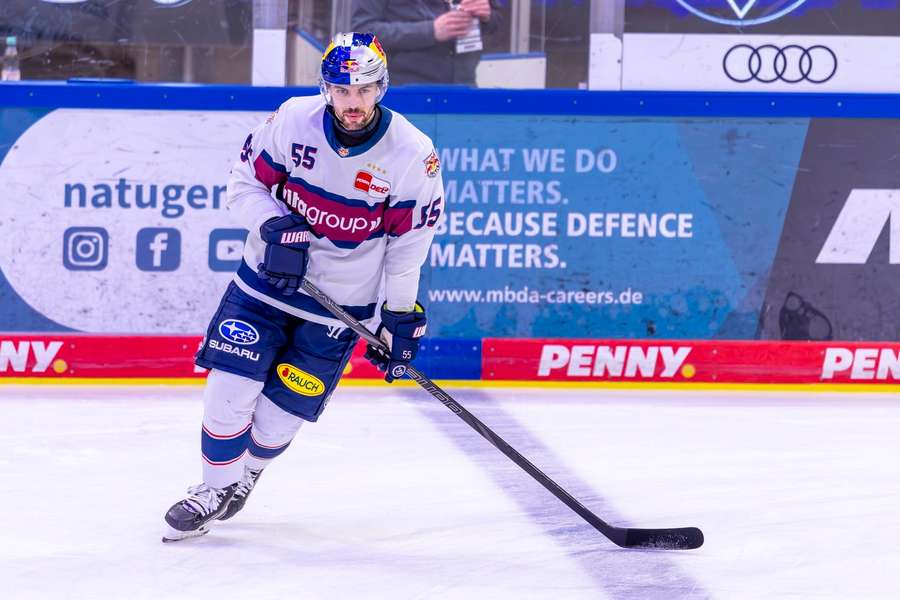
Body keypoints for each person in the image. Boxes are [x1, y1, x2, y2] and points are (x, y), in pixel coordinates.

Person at [162, 32, 443, 542]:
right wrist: (272, 225)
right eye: (341, 90)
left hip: (339, 307)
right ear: (325, 89)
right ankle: (211, 488)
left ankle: (246, 474)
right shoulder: (293, 119)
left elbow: (407, 246)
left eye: (363, 89)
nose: (352, 102)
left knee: (279, 417)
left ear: (382, 88)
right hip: (263, 285)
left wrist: (397, 315)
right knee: (229, 389)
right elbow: (242, 182)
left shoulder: (412, 154)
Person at [351, 0, 502, 86]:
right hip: (406, 93)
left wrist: (487, 15)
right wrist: (431, 31)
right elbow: (364, 33)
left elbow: (497, 20)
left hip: (464, 88)